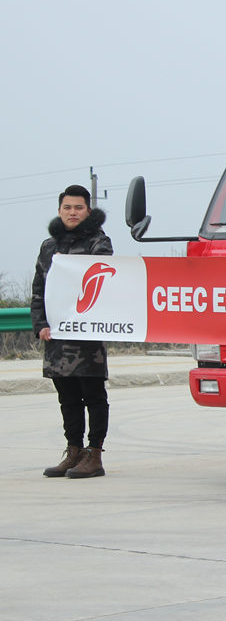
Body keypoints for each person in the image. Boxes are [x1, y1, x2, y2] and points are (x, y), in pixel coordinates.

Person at [31, 184, 113, 479]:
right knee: (66, 396)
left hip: (86, 335)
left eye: (78, 207)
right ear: (59, 211)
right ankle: (74, 450)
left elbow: (102, 282)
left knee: (92, 394)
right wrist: (40, 325)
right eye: (67, 207)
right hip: (57, 337)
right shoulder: (48, 247)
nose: (72, 212)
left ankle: (95, 454)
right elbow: (39, 288)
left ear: (88, 211)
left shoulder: (98, 242)